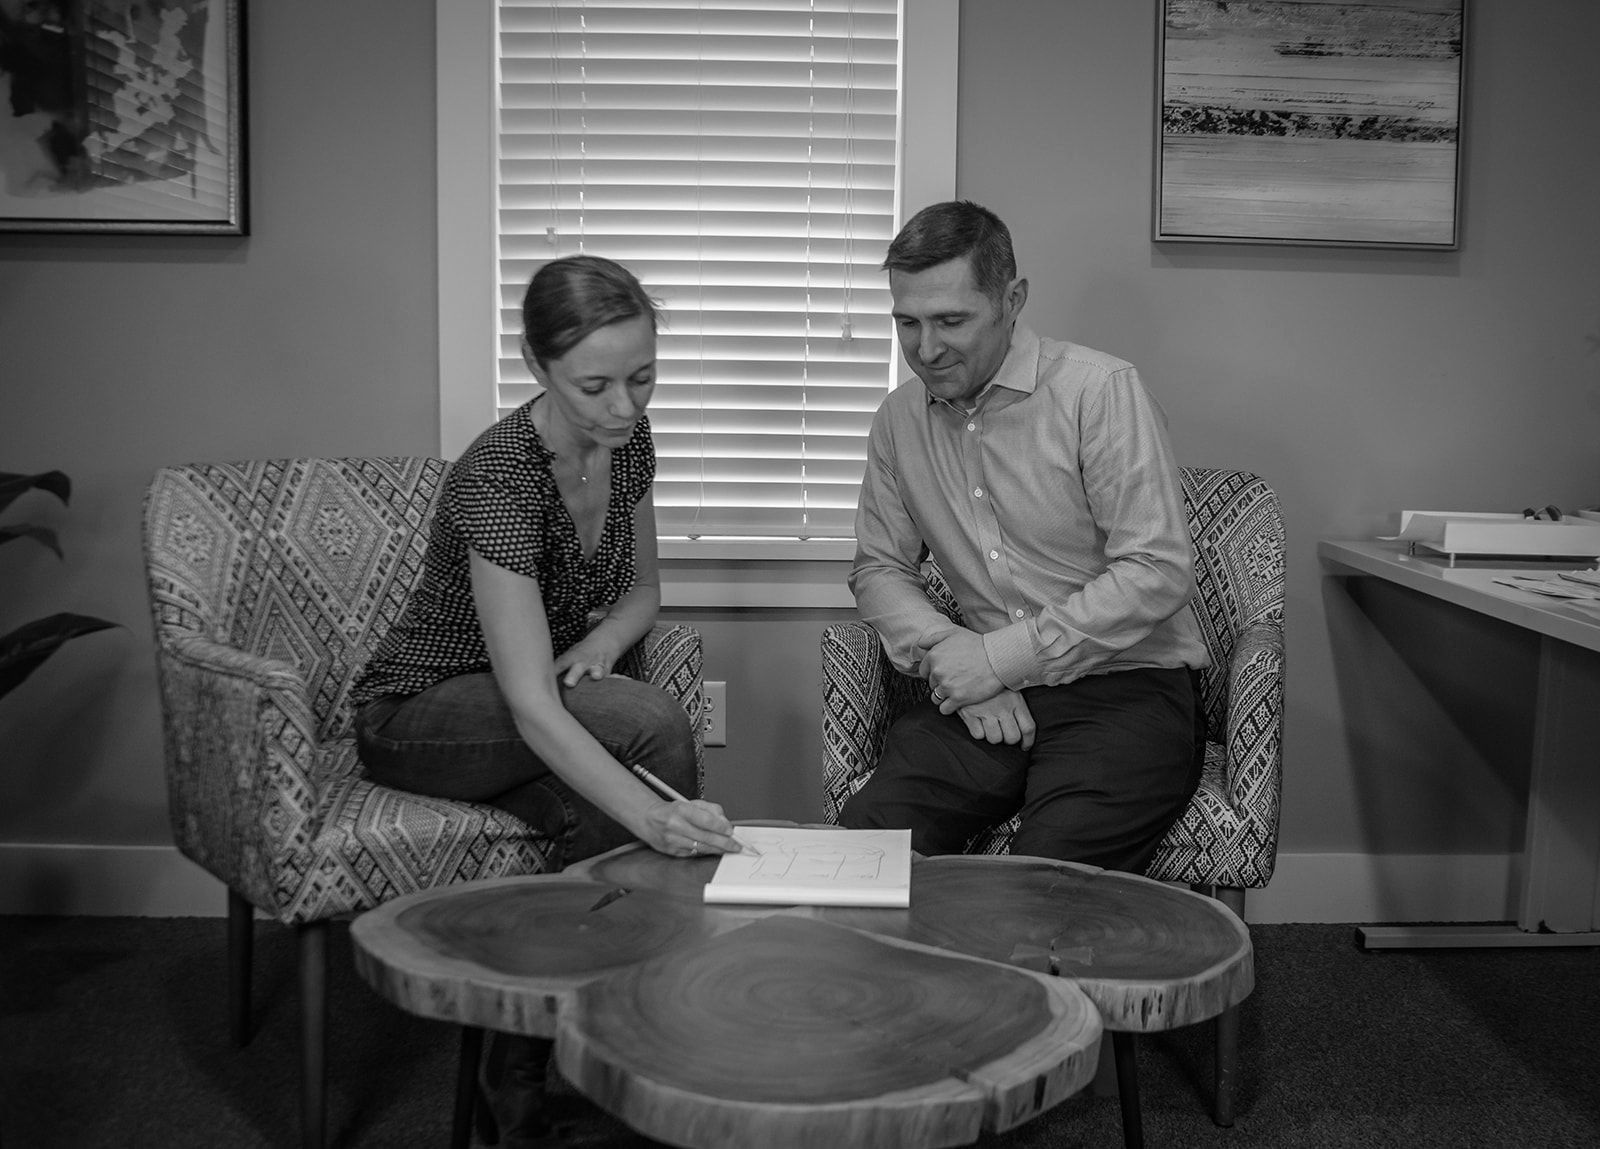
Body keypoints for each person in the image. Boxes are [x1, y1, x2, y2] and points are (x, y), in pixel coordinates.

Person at [350, 253, 743, 1144]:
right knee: (647, 723)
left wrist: (602, 642)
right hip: (417, 713)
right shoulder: (500, 474)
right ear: (536, 366)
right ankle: (641, 1023)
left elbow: (643, 592)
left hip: (524, 693)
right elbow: (533, 706)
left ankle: (521, 1060)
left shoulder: (629, 442)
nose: (624, 406)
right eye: (595, 384)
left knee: (585, 811)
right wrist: (653, 819)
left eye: (642, 377)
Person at [839, 200, 1210, 874]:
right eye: (907, 323)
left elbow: (1155, 569)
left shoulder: (1099, 390)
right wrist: (956, 656)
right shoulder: (897, 421)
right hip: (982, 697)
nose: (926, 348)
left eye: (951, 320)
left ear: (1013, 299)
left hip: (1124, 688)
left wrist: (1004, 657)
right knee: (864, 848)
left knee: (1044, 884)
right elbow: (878, 568)